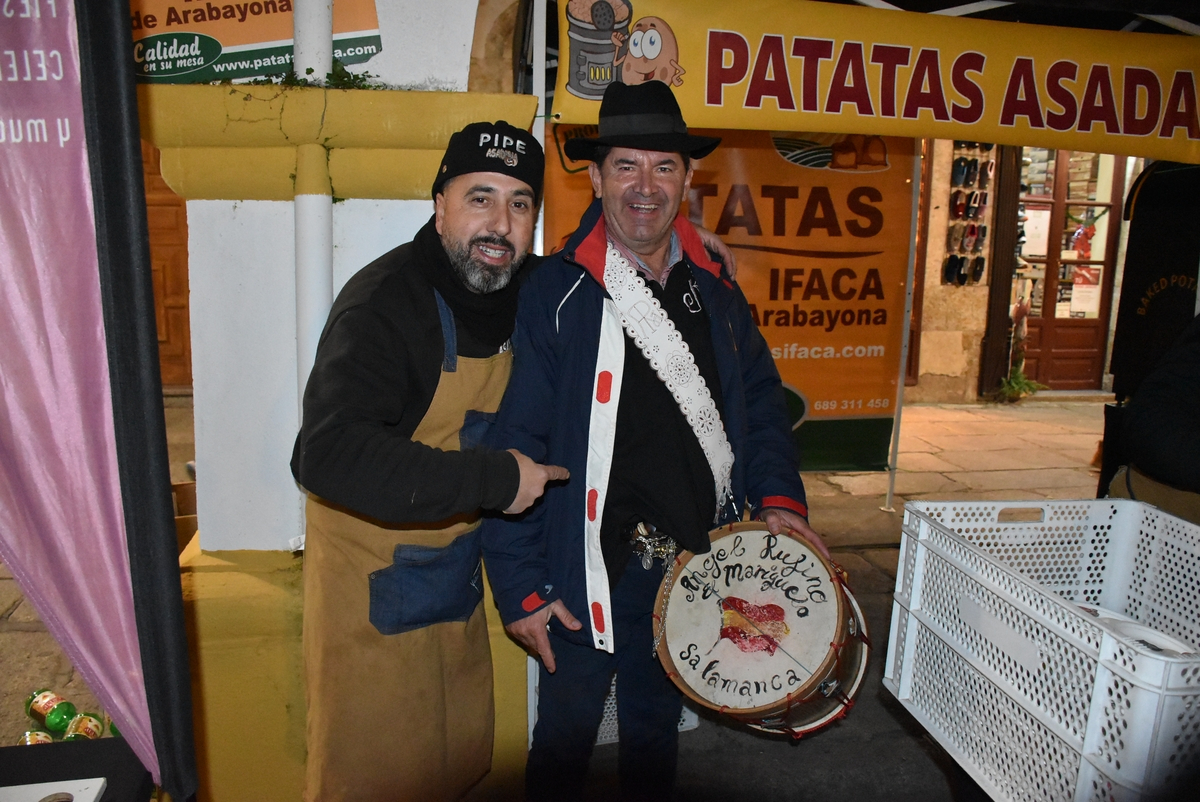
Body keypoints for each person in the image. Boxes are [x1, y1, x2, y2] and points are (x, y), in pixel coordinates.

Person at [481, 81, 830, 802]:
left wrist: (780, 502)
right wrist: (520, 590)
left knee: (655, 742)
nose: (646, 187)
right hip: (580, 580)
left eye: (664, 166)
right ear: (596, 175)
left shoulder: (717, 290)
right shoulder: (556, 291)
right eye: (627, 166)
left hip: (689, 573)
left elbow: (760, 406)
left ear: (687, 178)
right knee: (562, 748)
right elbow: (514, 444)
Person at [290, 121, 569, 801]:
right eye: (480, 198)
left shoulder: (526, 289)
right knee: (375, 779)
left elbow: (599, 275)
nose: (500, 223)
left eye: (520, 203)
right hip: (371, 599)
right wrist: (496, 479)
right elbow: (325, 454)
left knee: (453, 768)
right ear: (439, 204)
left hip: (452, 585)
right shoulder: (386, 302)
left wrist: (679, 248)